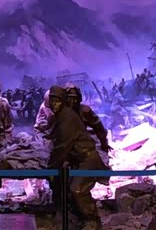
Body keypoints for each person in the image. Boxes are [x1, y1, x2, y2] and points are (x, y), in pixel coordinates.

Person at [47, 86, 106, 230]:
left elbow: (62, 146)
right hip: (77, 159)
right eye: (52, 101)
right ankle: (74, 216)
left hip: (87, 158)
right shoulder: (61, 116)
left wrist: (51, 167)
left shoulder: (68, 117)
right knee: (66, 188)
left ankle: (92, 220)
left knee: (77, 190)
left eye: (57, 101)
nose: (54, 104)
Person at [64, 84, 111, 153]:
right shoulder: (61, 112)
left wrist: (104, 145)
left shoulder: (84, 111)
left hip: (81, 143)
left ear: (79, 99)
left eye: (75, 99)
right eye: (69, 99)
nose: (72, 102)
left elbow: (98, 127)